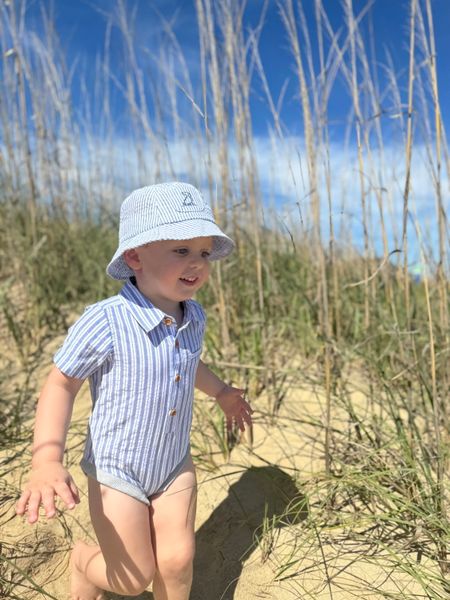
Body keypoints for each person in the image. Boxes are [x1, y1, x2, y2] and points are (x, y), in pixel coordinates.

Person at [16, 182, 253, 600]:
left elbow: (188, 361)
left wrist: (221, 393)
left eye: (203, 251)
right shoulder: (106, 321)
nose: (197, 263)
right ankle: (83, 564)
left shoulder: (193, 315)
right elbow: (60, 382)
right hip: (117, 470)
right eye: (181, 250)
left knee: (177, 561)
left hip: (173, 462)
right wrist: (46, 458)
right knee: (132, 577)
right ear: (135, 256)